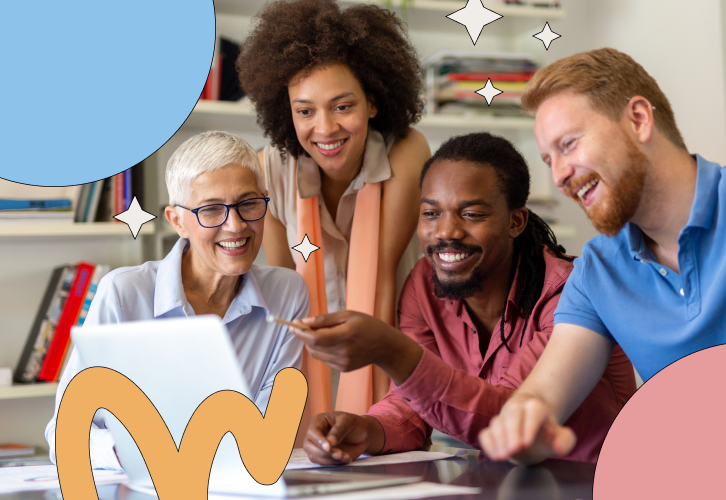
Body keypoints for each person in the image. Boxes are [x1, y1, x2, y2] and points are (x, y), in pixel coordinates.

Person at [289, 133, 636, 465]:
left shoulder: (570, 293)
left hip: (597, 482)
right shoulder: (425, 285)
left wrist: (391, 350)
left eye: (471, 214)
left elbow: (509, 418)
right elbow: (414, 405)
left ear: (515, 221)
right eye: (431, 213)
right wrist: (365, 430)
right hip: (505, 485)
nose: (446, 232)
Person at [478, 48, 726, 465]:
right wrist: (524, 426)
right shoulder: (598, 270)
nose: (559, 177)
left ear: (639, 120)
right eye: (549, 161)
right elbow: (542, 396)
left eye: (568, 145)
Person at [44, 131, 309, 469]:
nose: (236, 225)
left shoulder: (287, 293)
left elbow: (270, 427)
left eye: (248, 203)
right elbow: (63, 434)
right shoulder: (124, 294)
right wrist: (136, 451)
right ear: (177, 221)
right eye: (211, 210)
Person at [236, 0, 431, 417]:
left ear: (372, 103)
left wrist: (370, 419)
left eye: (343, 106)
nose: (324, 129)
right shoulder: (269, 168)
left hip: (396, 370)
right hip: (310, 371)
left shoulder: (407, 150)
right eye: (305, 111)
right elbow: (285, 293)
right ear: (286, 112)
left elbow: (379, 278)